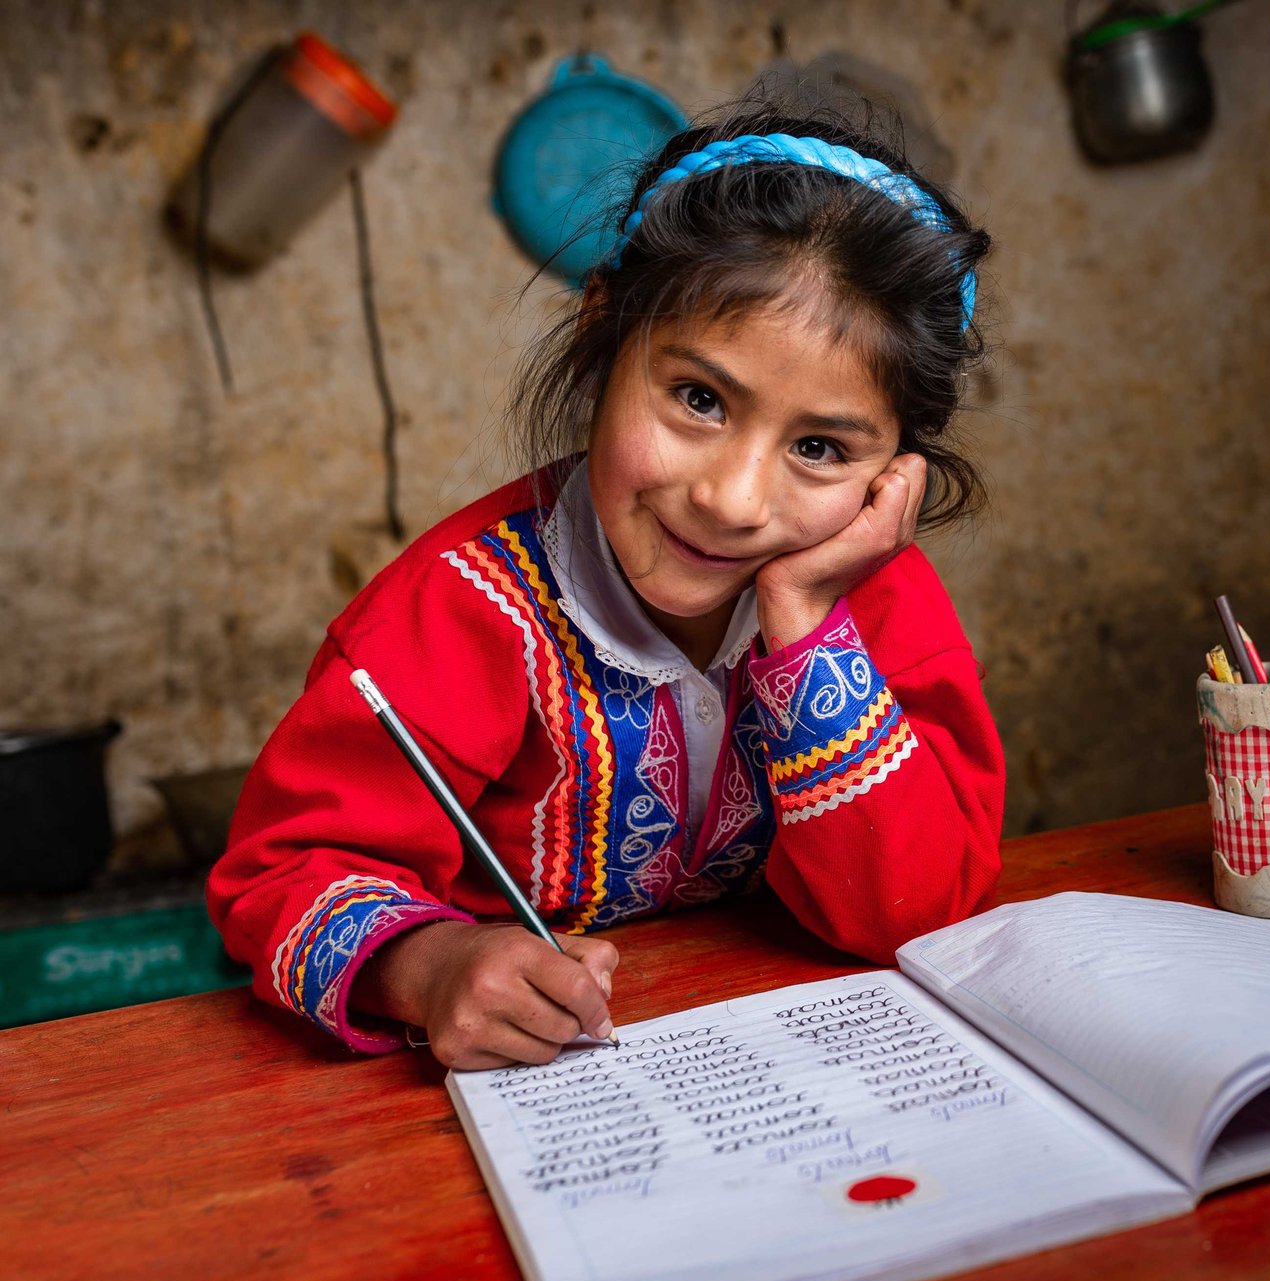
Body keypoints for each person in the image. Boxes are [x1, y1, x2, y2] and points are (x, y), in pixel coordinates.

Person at [207, 106, 1005, 1070]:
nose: (732, 500)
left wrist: (805, 627)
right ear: (600, 337)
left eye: (820, 448)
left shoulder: (872, 599)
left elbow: (910, 913)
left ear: (895, 475)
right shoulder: (459, 611)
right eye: (699, 398)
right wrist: (431, 963)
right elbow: (280, 875)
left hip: (770, 1074)